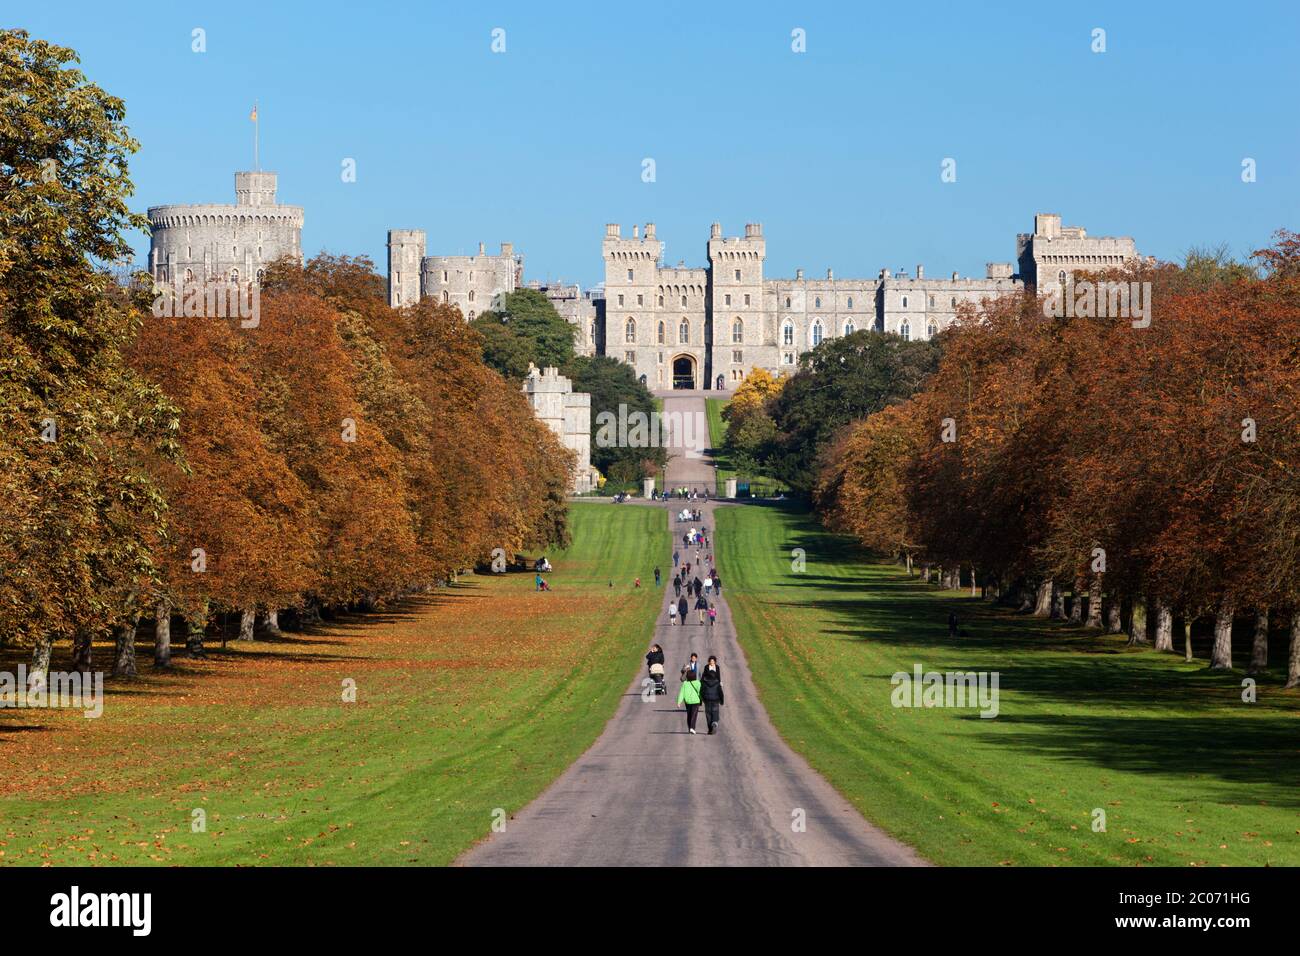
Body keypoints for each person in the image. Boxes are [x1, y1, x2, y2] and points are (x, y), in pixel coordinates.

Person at [700, 657, 723, 734]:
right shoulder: (706, 667)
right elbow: (720, 692)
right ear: (709, 661)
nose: (711, 662)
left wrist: (702, 699)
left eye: (713, 661)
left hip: (707, 698)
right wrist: (722, 700)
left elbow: (702, 691)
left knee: (708, 713)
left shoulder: (717, 667)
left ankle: (710, 727)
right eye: (710, 661)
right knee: (715, 711)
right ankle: (715, 722)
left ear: (715, 662)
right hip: (715, 697)